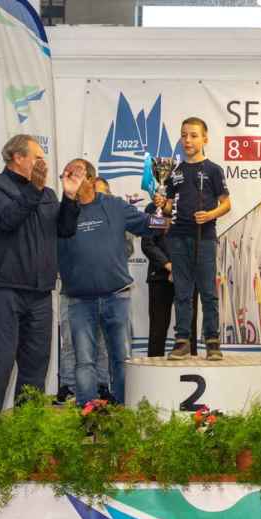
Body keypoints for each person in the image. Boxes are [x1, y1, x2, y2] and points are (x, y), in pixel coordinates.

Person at [0, 134, 80, 411]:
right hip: (1, 290)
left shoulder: (47, 194)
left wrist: (69, 198)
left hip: (40, 294)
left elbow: (65, 230)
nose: (42, 163)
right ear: (17, 157)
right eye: (37, 157)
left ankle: (28, 429)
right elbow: (7, 219)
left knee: (36, 366)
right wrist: (33, 189)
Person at [57, 159, 162, 406]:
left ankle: (125, 410)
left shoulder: (114, 205)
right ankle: (87, 415)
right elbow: (61, 231)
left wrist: (166, 217)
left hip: (117, 296)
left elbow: (149, 225)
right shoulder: (62, 211)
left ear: (91, 179)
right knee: (84, 361)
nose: (70, 177)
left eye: (77, 174)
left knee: (121, 359)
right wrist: (69, 197)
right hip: (79, 300)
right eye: (67, 174)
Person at [162, 117, 231, 360]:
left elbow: (226, 204)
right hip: (178, 238)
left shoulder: (213, 169)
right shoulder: (174, 171)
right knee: (182, 292)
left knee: (208, 293)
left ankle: (212, 342)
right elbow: (169, 207)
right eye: (184, 135)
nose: (188, 140)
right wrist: (163, 204)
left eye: (193, 135)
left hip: (205, 238)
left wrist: (210, 214)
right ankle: (182, 341)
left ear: (205, 139)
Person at [142, 200, 174, 357]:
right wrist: (168, 265)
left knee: (188, 331)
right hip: (160, 276)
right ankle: (153, 373)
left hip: (187, 275)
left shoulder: (189, 204)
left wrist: (181, 268)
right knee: (158, 329)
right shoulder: (154, 209)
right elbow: (148, 244)